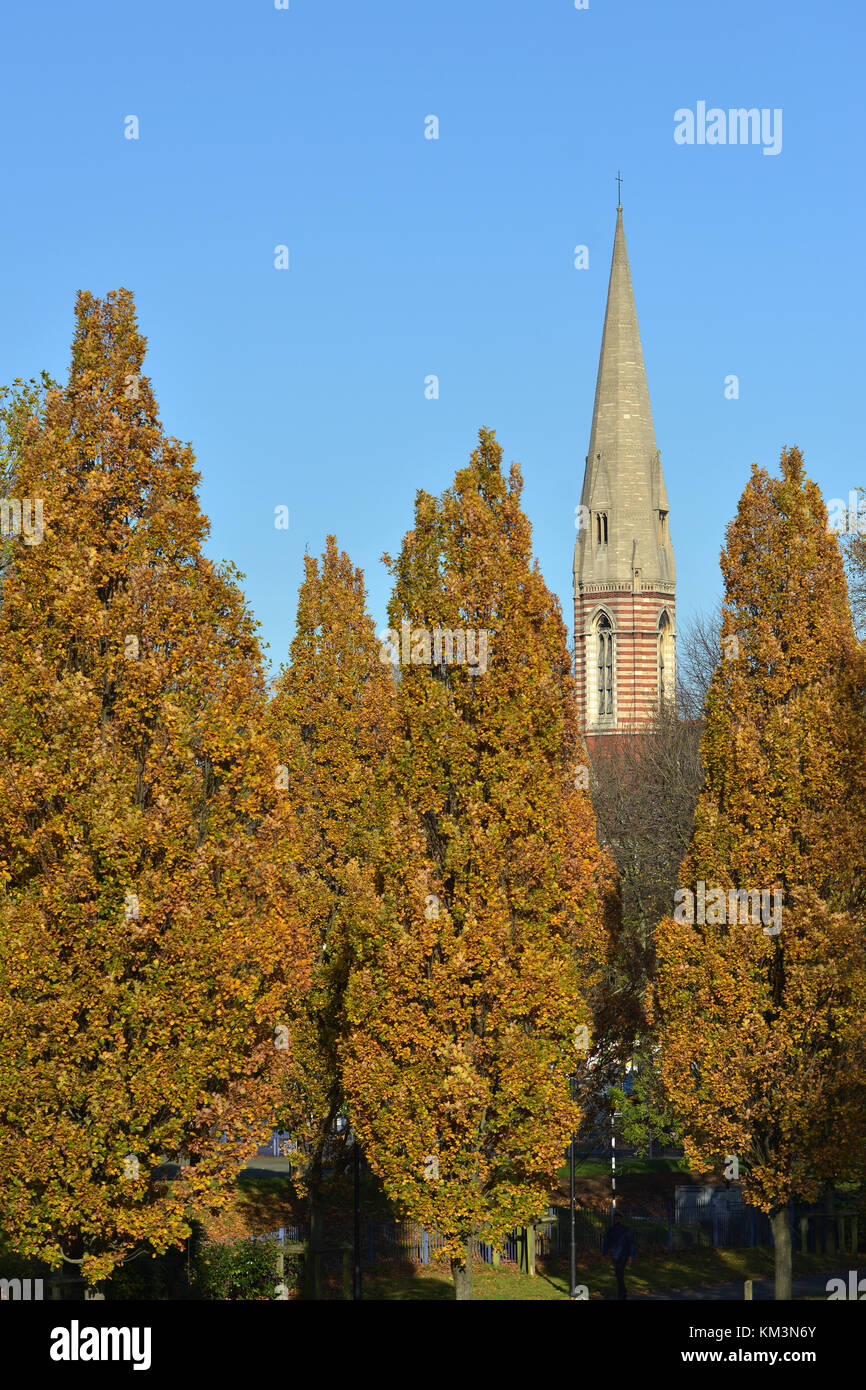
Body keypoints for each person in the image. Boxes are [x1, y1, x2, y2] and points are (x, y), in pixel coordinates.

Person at [602, 1212, 636, 1300]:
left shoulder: (626, 1230)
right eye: (614, 1219)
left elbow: (631, 1243)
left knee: (619, 1274)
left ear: (620, 1219)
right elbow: (607, 1241)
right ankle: (623, 1292)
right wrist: (605, 1253)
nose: (616, 1220)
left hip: (623, 1255)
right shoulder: (611, 1230)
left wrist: (631, 1256)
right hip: (614, 1255)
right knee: (618, 1275)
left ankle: (621, 1294)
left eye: (617, 1218)